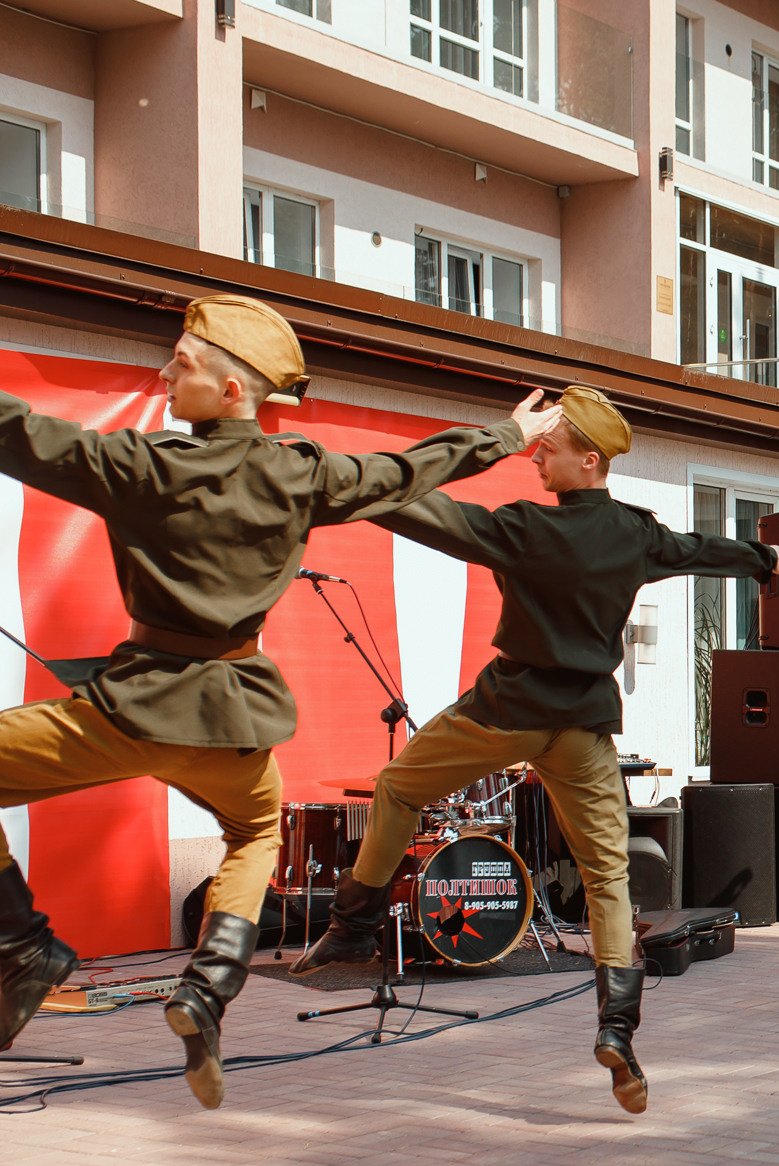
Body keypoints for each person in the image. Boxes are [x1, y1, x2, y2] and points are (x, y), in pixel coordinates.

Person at [0, 295, 548, 1106]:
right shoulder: (301, 472)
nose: (163, 373)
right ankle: (211, 983)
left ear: (229, 390)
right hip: (231, 719)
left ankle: (23, 945)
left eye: (180, 364)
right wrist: (511, 436)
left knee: (256, 827)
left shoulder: (137, 466)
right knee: (256, 828)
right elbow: (414, 467)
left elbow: (16, 431)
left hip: (130, 708)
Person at [288, 387, 779, 1112]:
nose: (534, 455)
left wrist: (330, 472)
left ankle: (351, 925)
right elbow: (698, 550)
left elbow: (419, 509)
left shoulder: (523, 529)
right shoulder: (637, 535)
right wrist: (763, 557)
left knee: (397, 788)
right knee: (607, 879)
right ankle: (617, 1029)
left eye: (546, 449)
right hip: (582, 729)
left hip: (507, 712)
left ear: (590, 460)